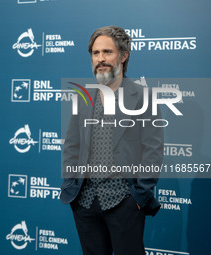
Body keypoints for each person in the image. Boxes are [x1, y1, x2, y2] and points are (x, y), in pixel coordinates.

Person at [60, 26, 164, 255]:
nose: (101, 59)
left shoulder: (142, 97)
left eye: (107, 52)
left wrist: (138, 196)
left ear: (124, 56)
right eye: (95, 53)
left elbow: (153, 150)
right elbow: (72, 145)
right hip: (85, 202)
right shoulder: (84, 96)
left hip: (125, 202)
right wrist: (70, 184)